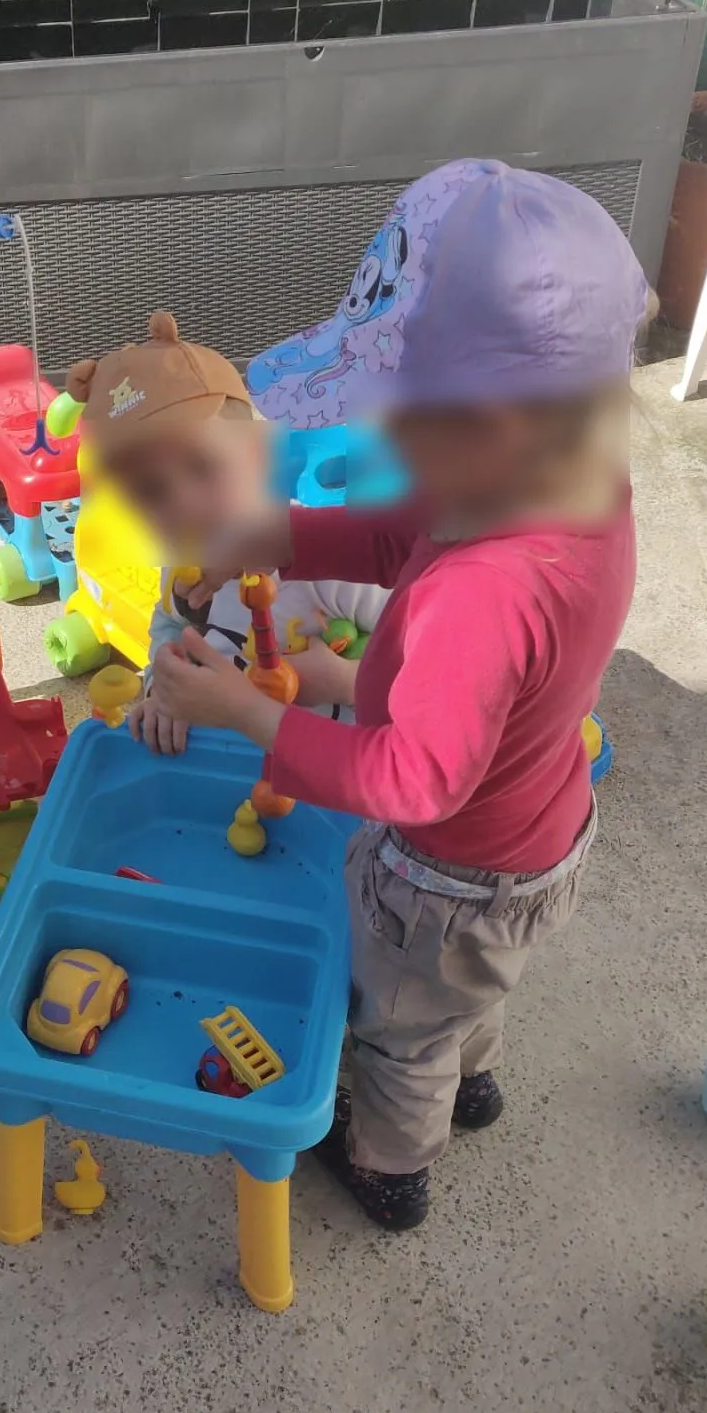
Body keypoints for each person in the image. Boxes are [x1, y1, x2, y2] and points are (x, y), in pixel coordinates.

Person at [147, 160, 642, 1229]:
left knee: (398, 1023)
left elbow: (412, 781)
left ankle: (391, 1164)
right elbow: (394, 532)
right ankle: (473, 1078)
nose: (388, 440)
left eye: (407, 418)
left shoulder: (484, 592)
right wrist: (272, 534)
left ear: (493, 428)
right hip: (538, 830)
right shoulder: (575, 487)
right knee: (464, 988)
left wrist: (249, 714)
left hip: (446, 871)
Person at [60, 309, 387, 755]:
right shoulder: (186, 564)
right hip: (228, 767)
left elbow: (435, 672)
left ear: (257, 455)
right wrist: (163, 694)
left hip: (338, 774)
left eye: (203, 466)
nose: (184, 504)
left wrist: (346, 681)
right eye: (153, 491)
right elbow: (170, 629)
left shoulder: (332, 563)